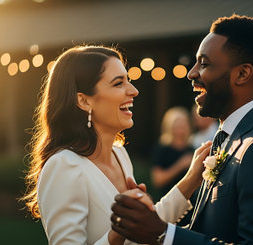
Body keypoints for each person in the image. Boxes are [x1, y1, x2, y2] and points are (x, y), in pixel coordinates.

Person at [111, 14, 253, 245]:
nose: (191, 73)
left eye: (204, 64)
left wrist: (164, 234)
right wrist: (148, 222)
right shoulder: (230, 137)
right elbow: (211, 230)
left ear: (242, 74)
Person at [21, 45, 212, 245]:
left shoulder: (120, 155)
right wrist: (117, 233)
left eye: (128, 80)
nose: (134, 91)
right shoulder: (64, 166)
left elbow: (147, 228)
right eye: (118, 83)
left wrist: (191, 179)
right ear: (84, 101)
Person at [151, 106, 194, 199]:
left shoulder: (191, 148)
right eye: (178, 125)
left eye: (183, 124)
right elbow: (158, 180)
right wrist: (180, 165)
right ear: (170, 126)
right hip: (167, 199)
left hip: (190, 201)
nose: (181, 128)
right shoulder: (162, 148)